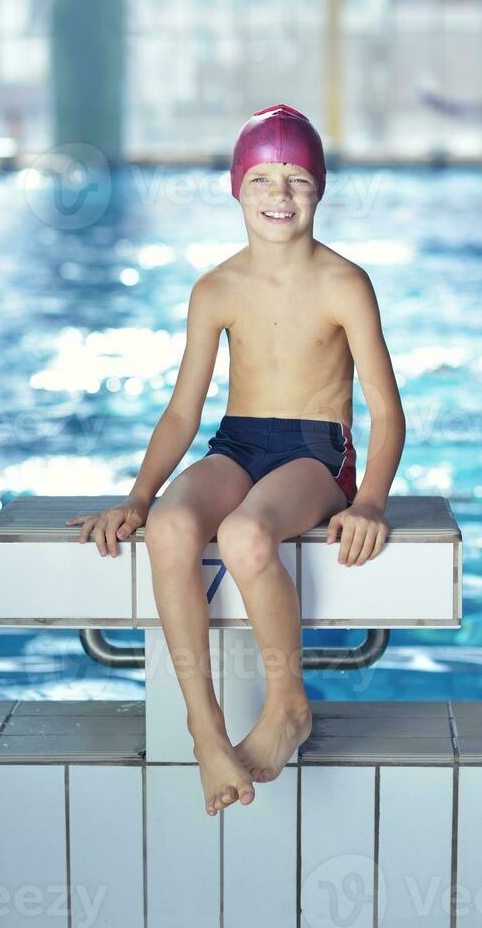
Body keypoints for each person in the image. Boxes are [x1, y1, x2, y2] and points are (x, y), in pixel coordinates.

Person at [65, 104, 406, 817]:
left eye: (296, 180)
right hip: (239, 443)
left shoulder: (345, 283)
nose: (279, 195)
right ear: (234, 187)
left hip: (317, 452)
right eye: (262, 179)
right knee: (166, 528)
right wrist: (137, 495)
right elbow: (184, 411)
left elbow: (385, 406)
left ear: (320, 188)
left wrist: (370, 498)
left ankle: (288, 708)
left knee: (249, 535)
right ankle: (205, 728)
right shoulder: (216, 288)